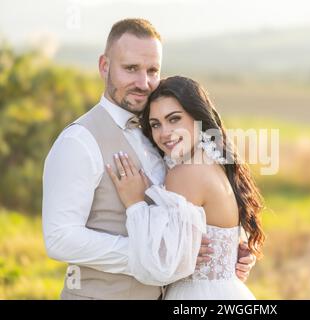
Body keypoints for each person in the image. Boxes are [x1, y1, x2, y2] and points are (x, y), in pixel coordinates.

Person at [42, 18, 255, 300]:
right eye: (130, 68)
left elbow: (190, 210)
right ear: (104, 66)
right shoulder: (79, 141)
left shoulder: (162, 137)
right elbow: (60, 238)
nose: (143, 83)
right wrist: (160, 254)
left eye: (152, 70)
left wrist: (227, 253)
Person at [106, 76, 265, 299]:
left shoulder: (185, 173)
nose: (164, 133)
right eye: (155, 124)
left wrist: (135, 204)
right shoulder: (216, 163)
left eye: (174, 119)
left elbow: (160, 265)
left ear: (197, 117)